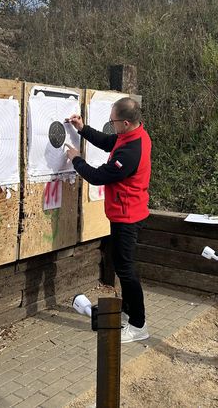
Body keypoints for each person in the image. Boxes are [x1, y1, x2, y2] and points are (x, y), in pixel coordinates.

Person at [65, 97, 152, 343]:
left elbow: (97, 176)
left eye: (113, 121)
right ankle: (127, 312)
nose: (111, 125)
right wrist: (82, 129)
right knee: (123, 267)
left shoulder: (131, 151)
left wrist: (75, 159)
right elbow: (107, 142)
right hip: (125, 213)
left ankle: (138, 325)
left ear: (125, 122)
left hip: (128, 216)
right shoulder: (134, 135)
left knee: (126, 270)